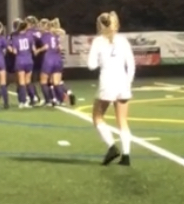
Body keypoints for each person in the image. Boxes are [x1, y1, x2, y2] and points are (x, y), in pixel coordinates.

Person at [87, 11, 135, 166]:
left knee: (97, 117)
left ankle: (112, 147)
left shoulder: (98, 41)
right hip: (123, 81)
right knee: (122, 120)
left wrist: (101, 62)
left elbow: (91, 65)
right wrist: (129, 82)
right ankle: (126, 156)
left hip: (107, 81)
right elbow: (131, 64)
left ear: (100, 25)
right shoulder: (123, 40)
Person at [9, 20, 36, 108]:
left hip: (20, 60)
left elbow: (15, 52)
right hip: (29, 60)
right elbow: (33, 50)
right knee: (28, 81)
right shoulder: (30, 36)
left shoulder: (15, 37)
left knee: (21, 82)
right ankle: (33, 98)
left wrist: (9, 47)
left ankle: (22, 102)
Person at [50, 18, 76, 105]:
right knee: (59, 81)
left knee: (53, 81)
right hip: (60, 58)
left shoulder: (54, 35)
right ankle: (68, 92)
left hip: (53, 58)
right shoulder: (61, 33)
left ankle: (58, 98)